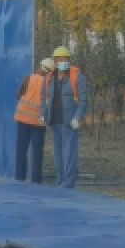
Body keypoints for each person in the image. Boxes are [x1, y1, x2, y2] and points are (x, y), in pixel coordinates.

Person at [41, 46, 88, 189]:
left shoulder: (77, 76)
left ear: (69, 60)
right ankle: (60, 179)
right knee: (58, 154)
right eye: (59, 59)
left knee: (69, 154)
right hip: (54, 121)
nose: (62, 61)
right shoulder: (49, 77)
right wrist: (42, 114)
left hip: (69, 122)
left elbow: (83, 100)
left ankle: (68, 183)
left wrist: (77, 117)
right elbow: (43, 98)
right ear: (55, 61)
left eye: (64, 59)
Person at [13, 58, 53, 183]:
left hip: (23, 120)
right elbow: (49, 102)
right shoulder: (48, 83)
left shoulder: (28, 78)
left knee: (21, 150)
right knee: (37, 153)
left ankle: (20, 178)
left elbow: (18, 94)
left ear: (40, 67)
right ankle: (36, 181)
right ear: (50, 71)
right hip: (38, 122)